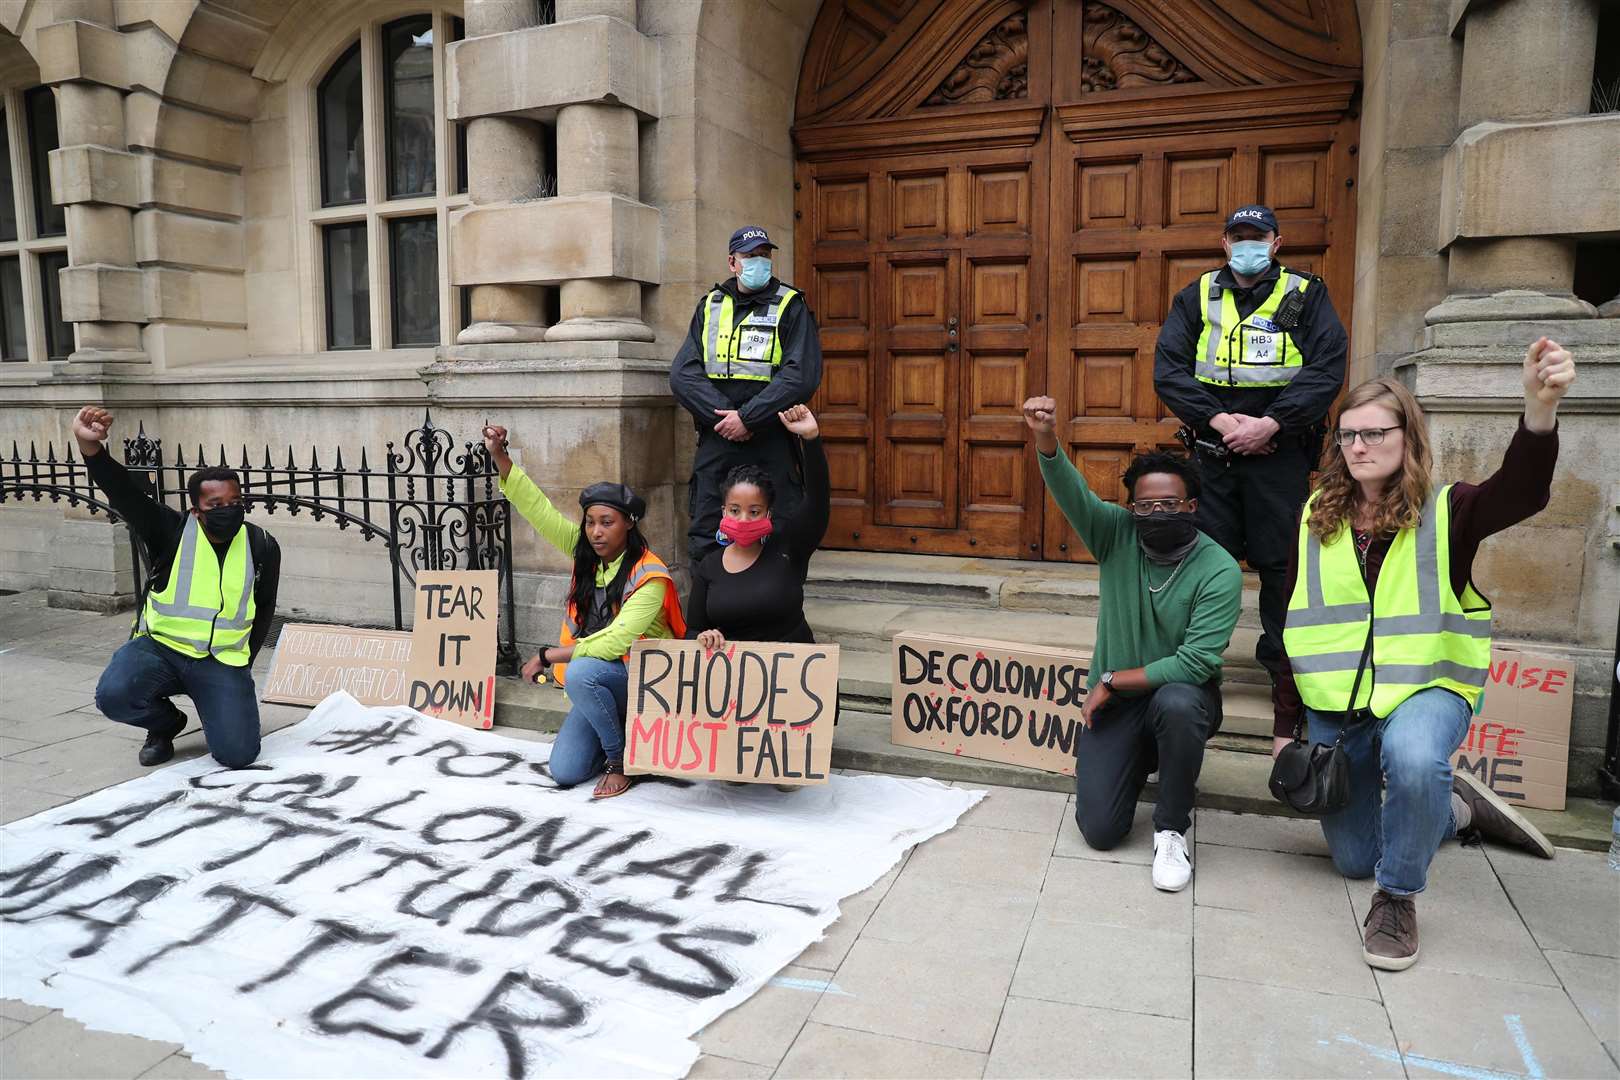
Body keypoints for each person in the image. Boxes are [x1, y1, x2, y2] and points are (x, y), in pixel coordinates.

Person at [1275, 338, 1573, 972]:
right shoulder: (1316, 515)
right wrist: (1284, 726)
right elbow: (1295, 620)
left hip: (1426, 688)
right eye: (1346, 436)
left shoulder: (1449, 510)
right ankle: (1454, 808)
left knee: (1413, 761)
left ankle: (1399, 899)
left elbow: (1522, 491)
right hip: (1341, 705)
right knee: (1353, 858)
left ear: (1407, 435)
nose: (1358, 446)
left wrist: (1538, 408)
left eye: (1374, 433)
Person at [1024, 396, 1242, 891]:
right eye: (1145, 506)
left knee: (1180, 704)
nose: (1157, 513)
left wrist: (1108, 679)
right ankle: (1142, 755)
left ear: (1191, 507)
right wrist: (1045, 437)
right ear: (1132, 509)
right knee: (1100, 831)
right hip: (1122, 705)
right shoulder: (1116, 537)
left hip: (1182, 696)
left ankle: (1171, 828)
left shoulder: (1219, 570)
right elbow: (1071, 492)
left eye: (1169, 505)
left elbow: (1194, 662)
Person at [1153, 204, 1347, 723]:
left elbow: (1327, 367)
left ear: (1276, 242)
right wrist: (1223, 423)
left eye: (1256, 236)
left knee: (1283, 568)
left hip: (1280, 454)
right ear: (1224, 243)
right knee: (1203, 565)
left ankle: (1285, 678)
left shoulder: (1305, 294)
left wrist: (1271, 425)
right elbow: (1169, 370)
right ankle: (1195, 671)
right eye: (1238, 237)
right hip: (1214, 454)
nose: (1247, 245)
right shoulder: (1195, 295)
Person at [483, 423, 685, 799]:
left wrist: (548, 655)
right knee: (565, 770)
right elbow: (539, 510)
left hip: (647, 685)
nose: (596, 532)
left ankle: (619, 759)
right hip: (606, 688)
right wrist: (500, 456)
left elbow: (617, 640)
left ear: (629, 524)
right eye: (590, 522)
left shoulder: (650, 575)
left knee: (581, 671)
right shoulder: (586, 555)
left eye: (607, 523)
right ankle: (624, 735)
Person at [72, 406, 280, 768]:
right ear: (196, 510)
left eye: (234, 503)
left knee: (238, 755)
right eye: (216, 504)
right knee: (115, 695)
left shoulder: (262, 545)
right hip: (160, 650)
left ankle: (218, 703)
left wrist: (244, 662)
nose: (227, 510)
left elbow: (264, 609)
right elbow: (124, 493)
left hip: (221, 661)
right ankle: (166, 724)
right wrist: (90, 448)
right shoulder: (169, 530)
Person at [670, 225, 823, 565]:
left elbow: (802, 375)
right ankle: (709, 612)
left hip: (771, 437)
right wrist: (727, 418)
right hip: (719, 436)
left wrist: (749, 417)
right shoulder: (709, 305)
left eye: (764, 256)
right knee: (708, 525)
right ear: (732, 262)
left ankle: (773, 611)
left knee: (781, 526)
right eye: (750, 256)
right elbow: (682, 374)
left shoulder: (790, 305)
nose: (759, 262)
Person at [685, 404, 828, 650]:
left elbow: (817, 501)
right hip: (737, 680)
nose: (743, 519)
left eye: (754, 512)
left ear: (768, 514)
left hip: (793, 675)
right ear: (723, 512)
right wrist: (705, 636)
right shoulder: (709, 566)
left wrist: (811, 439)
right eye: (734, 510)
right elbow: (693, 630)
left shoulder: (789, 550)